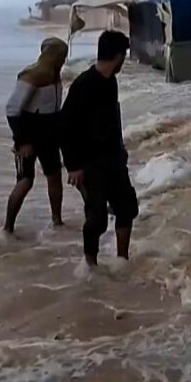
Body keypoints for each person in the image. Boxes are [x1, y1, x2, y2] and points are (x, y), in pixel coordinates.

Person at [61, 30, 138, 267]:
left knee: (126, 209)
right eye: (123, 56)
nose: (124, 61)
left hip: (113, 159)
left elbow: (112, 119)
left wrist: (120, 148)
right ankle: (90, 267)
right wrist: (73, 166)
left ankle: (122, 260)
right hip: (89, 163)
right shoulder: (84, 85)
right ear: (117, 56)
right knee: (97, 219)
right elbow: (65, 127)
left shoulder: (110, 82)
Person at [4, 37, 69, 233]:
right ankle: (7, 227)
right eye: (61, 56)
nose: (64, 59)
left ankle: (57, 221)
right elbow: (12, 109)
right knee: (25, 180)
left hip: (49, 132)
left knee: (54, 176)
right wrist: (22, 141)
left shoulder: (54, 73)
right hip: (30, 133)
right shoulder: (32, 75)